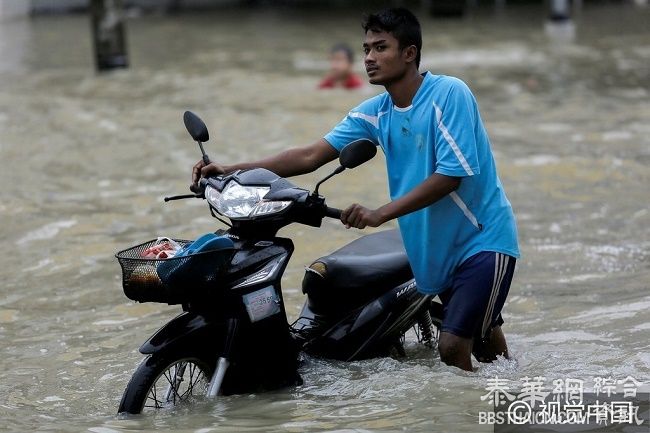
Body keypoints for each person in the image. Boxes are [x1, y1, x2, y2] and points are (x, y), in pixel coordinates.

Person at [192, 8, 520, 372]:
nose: (368, 58)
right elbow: (309, 155)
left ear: (409, 53)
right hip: (434, 247)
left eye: (380, 48)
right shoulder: (377, 111)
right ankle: (515, 400)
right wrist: (230, 170)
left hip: (481, 240)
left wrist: (380, 212)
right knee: (488, 343)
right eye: (366, 49)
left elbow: (450, 176)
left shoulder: (449, 94)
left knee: (453, 344)